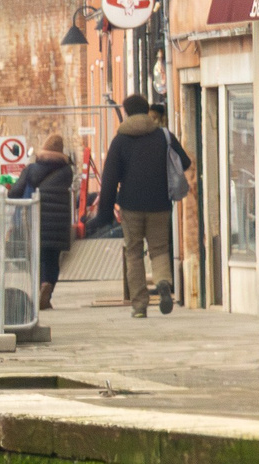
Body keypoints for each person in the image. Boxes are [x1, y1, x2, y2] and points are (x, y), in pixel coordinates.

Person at [95, 94, 185, 318]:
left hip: (131, 205)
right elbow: (184, 161)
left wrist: (104, 213)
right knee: (159, 249)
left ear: (126, 112)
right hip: (160, 203)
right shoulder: (163, 136)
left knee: (134, 253)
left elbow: (109, 179)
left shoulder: (120, 140)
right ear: (147, 110)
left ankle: (139, 306)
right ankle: (163, 282)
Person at [13, 136, 76, 310]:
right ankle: (48, 286)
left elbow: (15, 192)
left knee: (37, 257)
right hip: (58, 223)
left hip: (35, 220)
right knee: (53, 258)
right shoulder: (67, 172)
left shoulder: (31, 169)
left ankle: (39, 287)